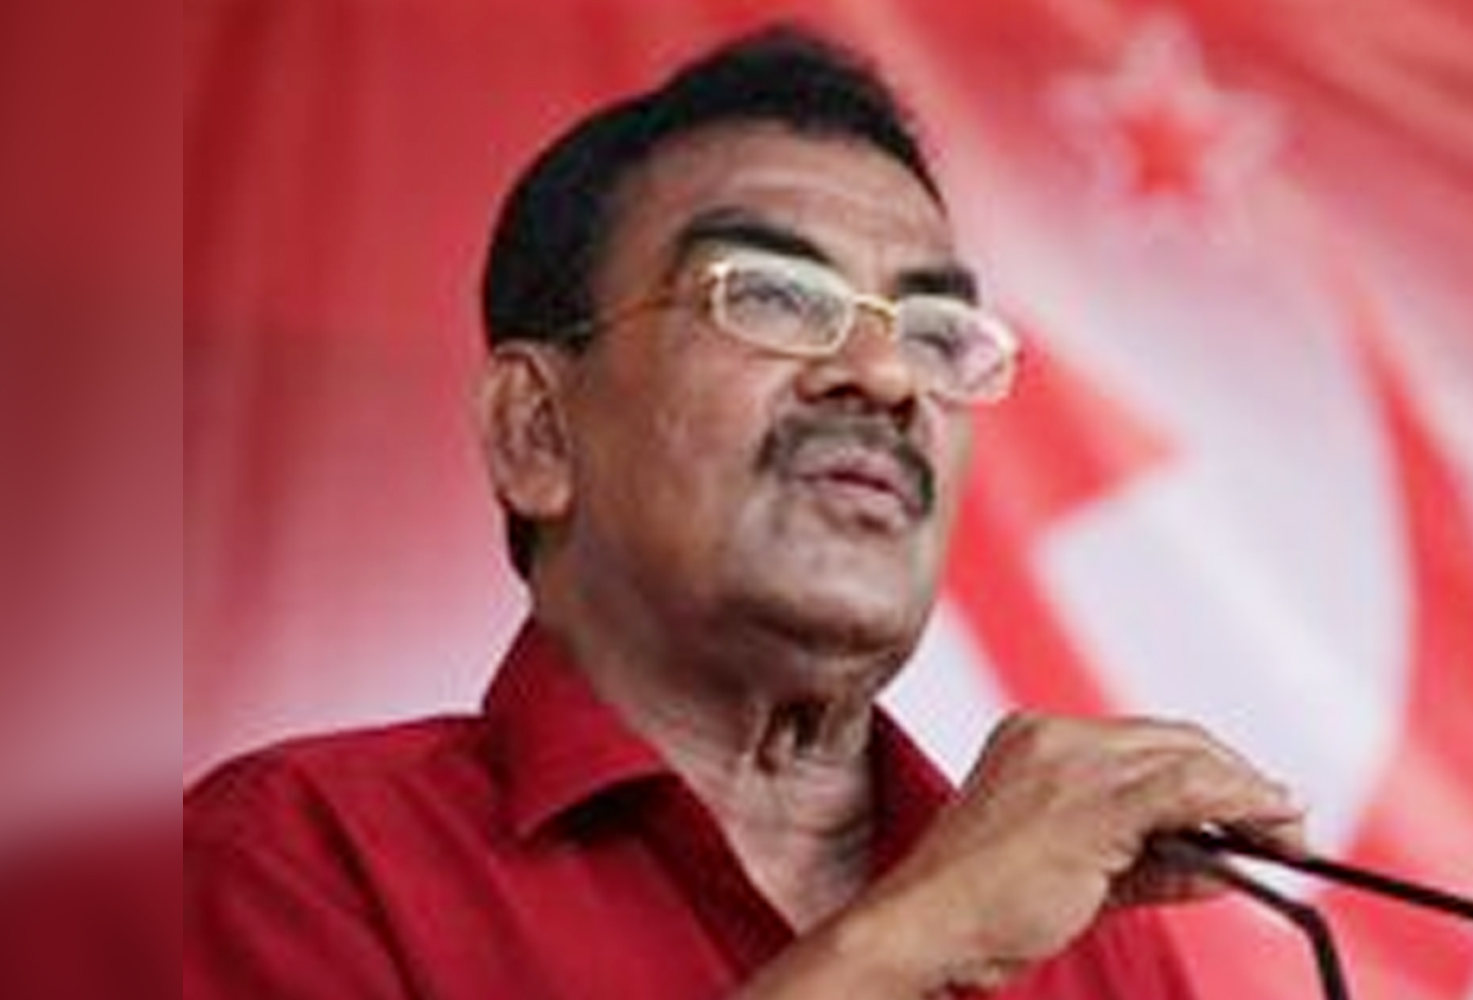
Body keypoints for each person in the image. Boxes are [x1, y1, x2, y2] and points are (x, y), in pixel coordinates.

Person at [184, 25, 1305, 1000]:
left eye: (933, 334)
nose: (885, 376)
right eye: (773, 296)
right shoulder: (299, 855)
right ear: (537, 431)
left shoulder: (1094, 948)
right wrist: (919, 941)